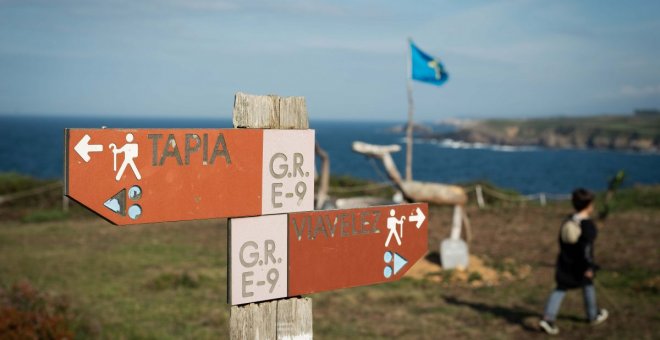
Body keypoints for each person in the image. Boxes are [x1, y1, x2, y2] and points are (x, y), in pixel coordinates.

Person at [539, 188, 608, 335]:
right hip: (580, 265)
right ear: (589, 205)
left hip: (565, 262)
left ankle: (547, 318)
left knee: (560, 288)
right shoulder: (587, 226)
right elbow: (586, 249)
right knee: (588, 286)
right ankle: (593, 315)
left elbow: (562, 241)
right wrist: (589, 266)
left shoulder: (568, 220)